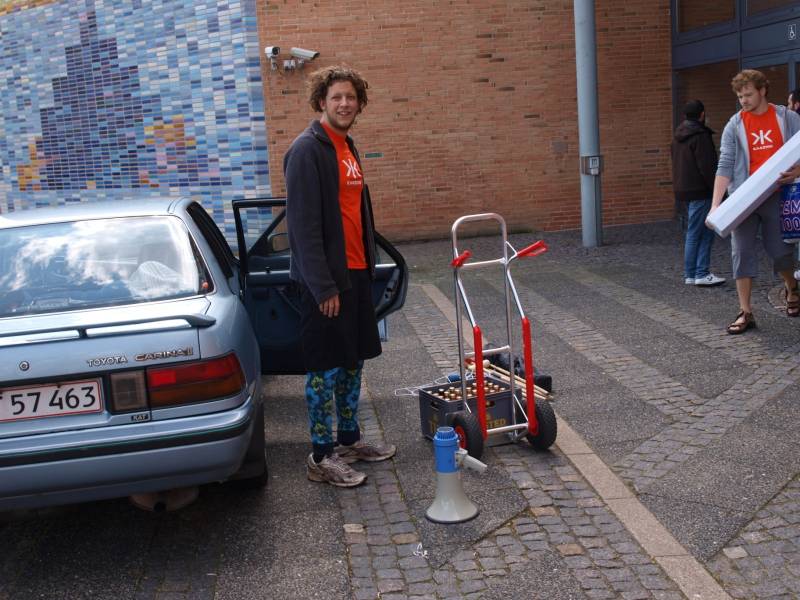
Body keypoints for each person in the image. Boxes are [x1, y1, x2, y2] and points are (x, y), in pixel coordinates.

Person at [283, 65, 396, 487]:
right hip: (326, 283)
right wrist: (322, 285)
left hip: (356, 273)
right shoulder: (305, 151)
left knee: (352, 361)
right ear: (321, 102)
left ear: (359, 104)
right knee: (323, 369)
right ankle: (320, 455)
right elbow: (302, 227)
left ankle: (348, 440)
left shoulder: (347, 147)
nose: (345, 104)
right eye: (337, 97)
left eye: (351, 97)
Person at [708, 69, 800, 334]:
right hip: (743, 198)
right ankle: (745, 311)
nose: (744, 101)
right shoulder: (735, 124)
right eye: (740, 96)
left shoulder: (788, 118)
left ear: (762, 90)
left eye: (748, 94)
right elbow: (725, 165)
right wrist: (716, 205)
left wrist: (798, 171)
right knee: (741, 252)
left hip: (777, 195)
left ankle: (792, 287)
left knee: (780, 251)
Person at [671, 99, 726, 287]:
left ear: (685, 116)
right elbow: (708, 167)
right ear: (702, 114)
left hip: (684, 190)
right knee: (701, 232)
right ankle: (699, 273)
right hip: (701, 191)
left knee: (694, 231)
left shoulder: (678, 136)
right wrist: (719, 192)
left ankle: (693, 274)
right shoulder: (701, 136)